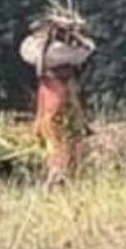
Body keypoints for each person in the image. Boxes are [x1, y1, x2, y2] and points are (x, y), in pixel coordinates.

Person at [33, 57, 90, 186]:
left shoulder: (48, 84)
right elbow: (48, 110)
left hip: (57, 127)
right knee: (60, 155)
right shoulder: (55, 86)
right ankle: (57, 179)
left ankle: (60, 181)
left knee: (64, 155)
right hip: (55, 127)